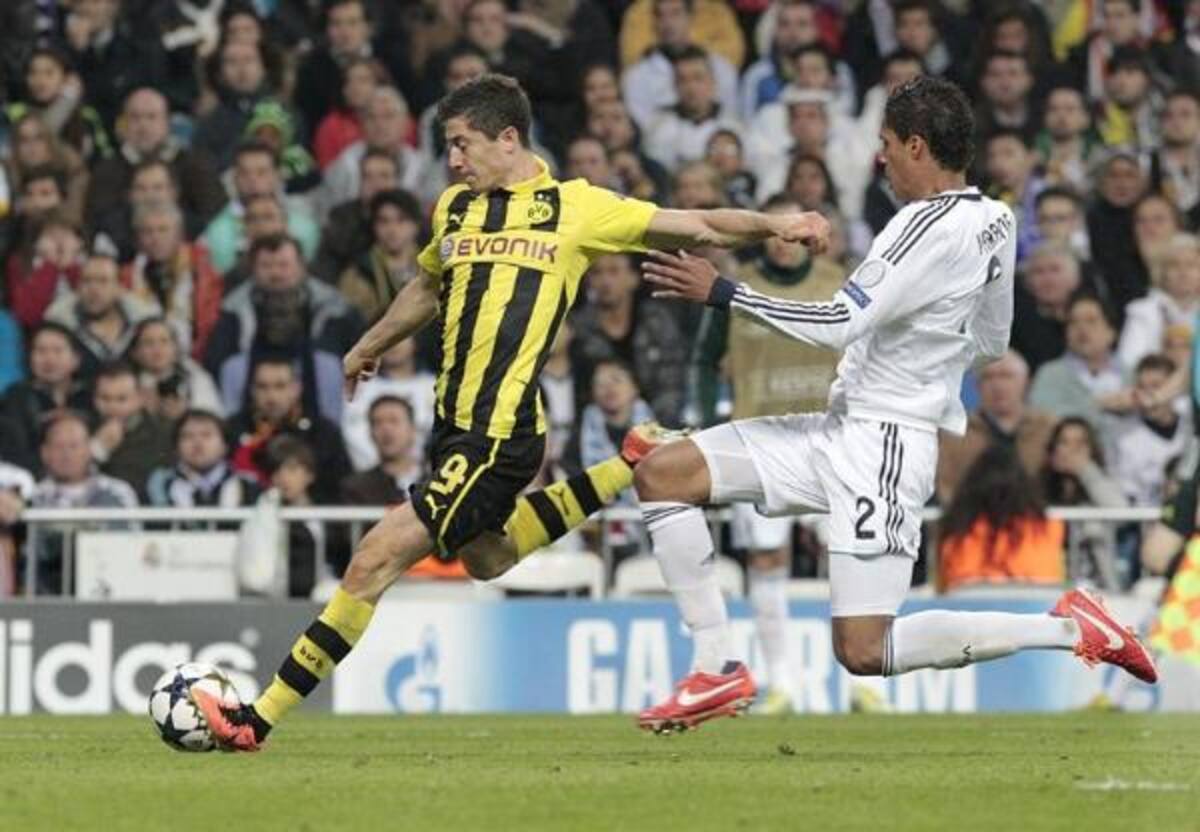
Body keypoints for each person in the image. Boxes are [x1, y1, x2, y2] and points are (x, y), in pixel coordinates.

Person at [196, 73, 829, 750]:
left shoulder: (576, 208)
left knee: (373, 559)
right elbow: (426, 285)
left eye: (462, 143)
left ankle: (253, 720)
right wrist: (368, 345)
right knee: (488, 558)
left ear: (508, 138)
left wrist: (777, 224)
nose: (453, 160)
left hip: (498, 433)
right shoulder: (456, 210)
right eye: (448, 147)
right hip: (456, 428)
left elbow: (697, 223)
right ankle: (626, 464)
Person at [631, 76, 1156, 734]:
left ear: (916, 145)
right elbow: (993, 340)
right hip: (840, 428)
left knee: (864, 649)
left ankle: (1070, 627)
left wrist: (723, 294)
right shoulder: (995, 219)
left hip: (882, 446)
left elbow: (835, 324)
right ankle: (715, 668)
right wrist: (923, 355)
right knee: (665, 473)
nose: (878, 158)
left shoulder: (917, 225)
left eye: (885, 144)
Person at [938, 445, 1066, 594]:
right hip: (1036, 608)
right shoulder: (1050, 525)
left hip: (969, 608)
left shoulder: (956, 526)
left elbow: (945, 583)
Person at [339, 395, 422, 506]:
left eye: (394, 421)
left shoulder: (438, 481)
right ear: (370, 434)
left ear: (413, 430)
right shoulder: (357, 488)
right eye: (378, 423)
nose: (386, 429)